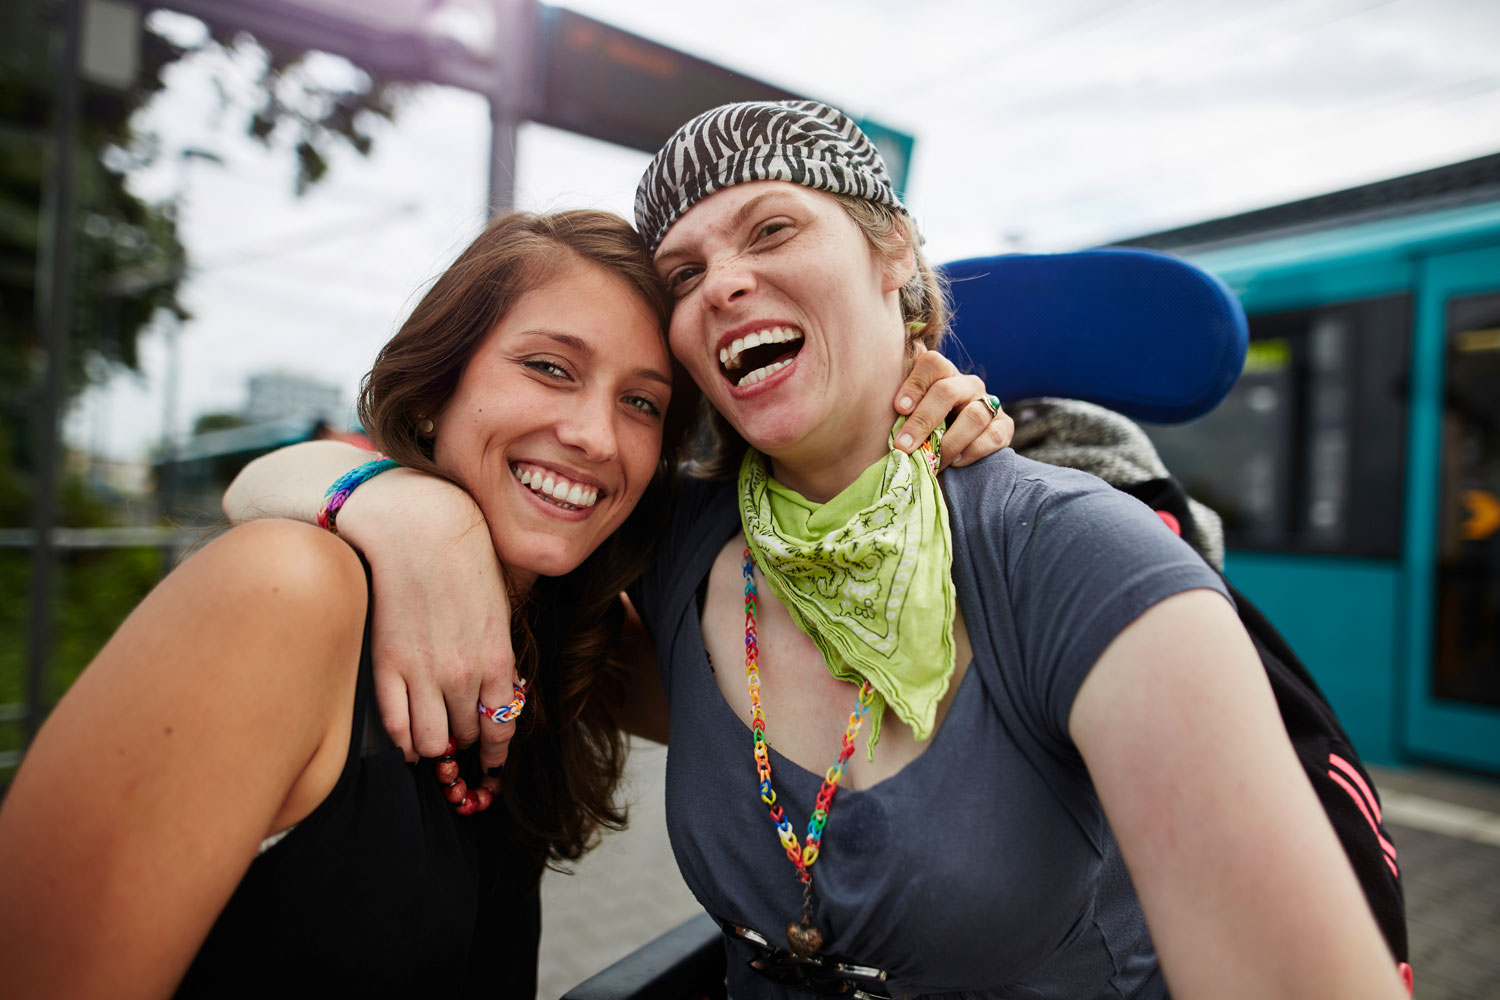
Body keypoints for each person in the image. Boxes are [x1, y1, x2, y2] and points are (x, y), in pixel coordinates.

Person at [244, 102, 1409, 999]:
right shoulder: (671, 537)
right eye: (686, 273)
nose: (726, 280)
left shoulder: (1071, 556)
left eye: (771, 228)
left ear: (891, 252)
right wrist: (401, 505)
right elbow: (267, 487)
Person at [0, 206, 1003, 998]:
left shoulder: (566, 643)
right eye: (549, 368)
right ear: (438, 388)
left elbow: (845, 701)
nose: (593, 435)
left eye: (643, 401)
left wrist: (894, 436)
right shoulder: (286, 593)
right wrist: (370, 493)